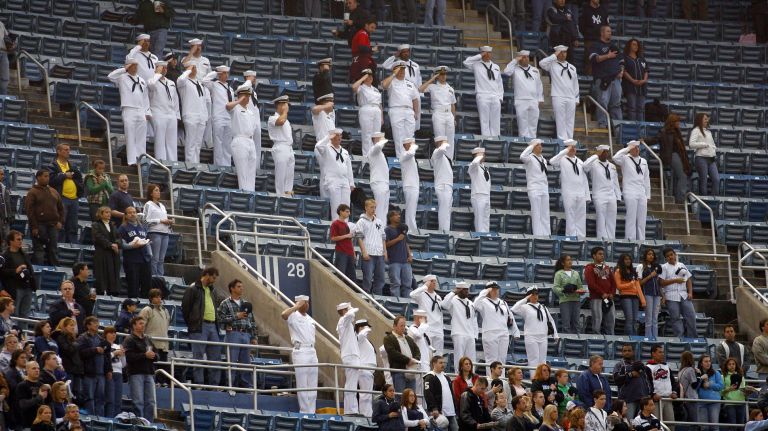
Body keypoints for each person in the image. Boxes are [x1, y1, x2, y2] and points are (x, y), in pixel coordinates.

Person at [182, 267, 223, 385]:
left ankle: (214, 385)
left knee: (215, 358)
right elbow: (185, 308)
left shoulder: (213, 290)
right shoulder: (193, 288)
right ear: (206, 275)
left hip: (213, 326)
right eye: (213, 277)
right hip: (199, 326)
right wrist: (192, 324)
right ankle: (199, 384)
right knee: (198, 357)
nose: (214, 280)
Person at [108, 60, 151, 166]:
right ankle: (132, 161)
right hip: (129, 109)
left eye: (136, 65)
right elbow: (110, 76)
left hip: (141, 110)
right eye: (133, 65)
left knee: (141, 137)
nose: (135, 67)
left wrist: (147, 111)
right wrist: (124, 69)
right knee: (130, 135)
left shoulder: (141, 80)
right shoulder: (122, 77)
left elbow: (145, 97)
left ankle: (141, 160)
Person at [281, 296, 318, 413]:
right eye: (304, 303)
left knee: (313, 384)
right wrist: (296, 306)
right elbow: (283, 315)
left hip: (312, 351)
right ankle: (304, 411)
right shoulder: (293, 316)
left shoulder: (310, 319)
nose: (306, 305)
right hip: (300, 350)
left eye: (307, 302)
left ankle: (311, 411)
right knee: (302, 383)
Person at [643, 114, 691, 204]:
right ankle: (681, 198)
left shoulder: (677, 132)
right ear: (672, 122)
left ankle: (678, 196)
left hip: (678, 155)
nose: (679, 123)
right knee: (683, 176)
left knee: (681, 176)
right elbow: (654, 140)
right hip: (670, 155)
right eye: (677, 121)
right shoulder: (663, 132)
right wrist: (644, 140)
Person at [474, 283, 519, 375]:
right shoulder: (483, 301)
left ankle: (501, 381)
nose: (495, 291)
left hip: (503, 332)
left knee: (502, 359)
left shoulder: (503, 302)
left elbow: (510, 316)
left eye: (497, 289)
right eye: (493, 290)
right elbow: (475, 304)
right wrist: (486, 291)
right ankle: (491, 381)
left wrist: (516, 331)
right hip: (490, 332)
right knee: (491, 359)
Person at [512, 286, 557, 374]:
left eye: (536, 294)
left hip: (543, 336)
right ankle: (534, 380)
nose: (535, 296)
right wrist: (525, 299)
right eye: (532, 295)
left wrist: (555, 334)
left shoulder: (543, 307)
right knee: (533, 360)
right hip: (531, 336)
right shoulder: (525, 307)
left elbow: (550, 320)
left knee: (542, 360)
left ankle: (542, 379)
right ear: (529, 296)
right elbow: (514, 308)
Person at [550, 140, 590, 239]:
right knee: (570, 215)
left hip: (580, 192)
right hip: (569, 192)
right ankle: (571, 236)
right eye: (570, 148)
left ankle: (581, 236)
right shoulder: (562, 159)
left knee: (581, 215)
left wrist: (587, 195)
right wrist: (565, 151)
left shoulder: (580, 161)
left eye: (574, 148)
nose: (573, 149)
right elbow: (552, 161)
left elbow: (584, 179)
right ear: (566, 149)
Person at [538, 46, 579, 140]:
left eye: (565, 52)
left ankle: (570, 141)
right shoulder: (552, 64)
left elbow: (575, 84)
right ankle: (562, 141)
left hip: (571, 97)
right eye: (561, 52)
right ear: (557, 53)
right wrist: (554, 56)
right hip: (558, 96)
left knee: (570, 121)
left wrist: (576, 98)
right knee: (560, 120)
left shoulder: (572, 67)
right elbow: (541, 63)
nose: (563, 54)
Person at [613, 140, 651, 241]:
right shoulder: (625, 159)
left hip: (641, 191)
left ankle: (641, 240)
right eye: (634, 148)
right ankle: (630, 238)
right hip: (629, 191)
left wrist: (648, 195)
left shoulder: (643, 161)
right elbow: (615, 157)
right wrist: (627, 149)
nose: (637, 149)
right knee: (631, 216)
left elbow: (646, 179)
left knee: (642, 218)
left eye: (637, 148)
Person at [25, 170, 64, 265]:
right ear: (38, 177)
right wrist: (34, 226)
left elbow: (61, 208)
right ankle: (39, 272)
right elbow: (29, 211)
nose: (47, 178)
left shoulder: (54, 191)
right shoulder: (32, 192)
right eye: (45, 176)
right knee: (39, 250)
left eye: (48, 176)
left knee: (53, 249)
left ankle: (55, 272)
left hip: (53, 225)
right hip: (39, 225)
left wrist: (60, 222)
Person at [48, 144, 84, 244]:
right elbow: (51, 180)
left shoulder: (72, 165)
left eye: (69, 149)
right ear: (58, 151)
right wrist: (64, 176)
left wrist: (79, 191)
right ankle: (60, 246)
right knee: (61, 225)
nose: (68, 151)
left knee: (73, 226)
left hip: (74, 199)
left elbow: (79, 179)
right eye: (66, 150)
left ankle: (72, 247)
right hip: (61, 199)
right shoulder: (53, 165)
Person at [583, 145, 621, 239]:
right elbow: (584, 166)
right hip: (599, 195)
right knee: (601, 218)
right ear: (599, 152)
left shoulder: (612, 166)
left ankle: (611, 239)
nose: (606, 154)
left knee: (612, 219)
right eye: (603, 152)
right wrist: (595, 155)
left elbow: (615, 182)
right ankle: (602, 239)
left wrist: (618, 196)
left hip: (611, 195)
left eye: (607, 152)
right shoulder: (593, 164)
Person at [464, 46, 504, 137]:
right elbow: (466, 62)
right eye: (486, 53)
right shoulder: (476, 64)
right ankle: (486, 138)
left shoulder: (495, 66)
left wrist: (500, 97)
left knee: (496, 120)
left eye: (489, 53)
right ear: (482, 53)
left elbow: (499, 83)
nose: (488, 55)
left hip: (495, 95)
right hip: (482, 95)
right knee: (484, 120)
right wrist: (479, 55)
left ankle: (495, 138)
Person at [382, 61, 419, 157]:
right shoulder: (391, 81)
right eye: (400, 69)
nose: (402, 71)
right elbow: (384, 85)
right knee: (399, 137)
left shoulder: (410, 84)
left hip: (409, 111)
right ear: (395, 70)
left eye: (403, 69)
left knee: (410, 137)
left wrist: (416, 112)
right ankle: (400, 159)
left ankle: (410, 158)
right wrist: (394, 74)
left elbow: (415, 99)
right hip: (396, 110)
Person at [589, 25, 624, 128]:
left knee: (616, 103)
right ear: (602, 33)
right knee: (602, 103)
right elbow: (593, 59)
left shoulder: (614, 46)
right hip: (602, 78)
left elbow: (621, 60)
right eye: (608, 31)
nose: (610, 33)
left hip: (616, 79)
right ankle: (602, 125)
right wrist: (607, 56)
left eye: (610, 31)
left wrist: (621, 71)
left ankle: (618, 127)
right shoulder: (596, 45)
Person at [503, 50, 544, 138]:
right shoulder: (515, 69)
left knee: (533, 125)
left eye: (527, 57)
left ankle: (533, 143)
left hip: (533, 100)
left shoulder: (534, 70)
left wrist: (540, 99)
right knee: (523, 125)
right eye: (523, 57)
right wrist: (515, 60)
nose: (526, 59)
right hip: (521, 100)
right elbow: (506, 71)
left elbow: (539, 85)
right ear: (520, 58)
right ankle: (524, 143)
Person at [315, 129, 354, 220]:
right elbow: (318, 145)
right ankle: (336, 226)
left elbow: (349, 168)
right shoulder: (326, 148)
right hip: (333, 180)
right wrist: (328, 136)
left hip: (344, 180)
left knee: (346, 206)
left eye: (340, 136)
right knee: (336, 206)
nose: (339, 137)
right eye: (337, 136)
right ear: (332, 137)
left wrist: (351, 182)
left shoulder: (344, 151)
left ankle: (345, 226)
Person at [123, 316, 157, 421]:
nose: (143, 325)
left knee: (151, 401)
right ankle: (140, 423)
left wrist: (154, 356)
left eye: (143, 323)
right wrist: (144, 355)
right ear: (134, 326)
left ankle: (149, 424)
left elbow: (157, 355)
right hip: (135, 373)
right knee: (138, 401)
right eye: (140, 323)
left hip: (149, 372)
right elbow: (128, 357)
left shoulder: (148, 339)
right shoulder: (129, 339)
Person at [659, 248, 698, 338]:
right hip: (671, 296)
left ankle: (692, 338)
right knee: (675, 318)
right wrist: (675, 280)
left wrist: (690, 292)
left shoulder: (682, 264)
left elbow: (688, 279)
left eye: (671, 255)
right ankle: (679, 338)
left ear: (675, 255)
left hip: (684, 294)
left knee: (691, 316)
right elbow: (661, 283)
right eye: (667, 256)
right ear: (665, 258)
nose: (670, 257)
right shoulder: (664, 267)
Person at [383, 44, 423, 130]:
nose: (406, 54)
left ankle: (412, 135)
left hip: (414, 92)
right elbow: (385, 65)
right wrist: (394, 56)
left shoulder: (415, 65)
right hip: (402, 91)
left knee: (415, 117)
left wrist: (420, 94)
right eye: (403, 52)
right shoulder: (396, 64)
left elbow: (419, 79)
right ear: (400, 53)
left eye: (407, 51)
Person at [419, 66, 456, 157]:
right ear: (437, 76)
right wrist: (433, 78)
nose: (443, 76)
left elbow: (453, 105)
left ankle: (449, 161)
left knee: (450, 140)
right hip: (438, 114)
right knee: (440, 139)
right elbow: (420, 89)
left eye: (444, 74)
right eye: (441, 74)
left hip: (449, 114)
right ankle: (441, 160)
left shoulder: (450, 89)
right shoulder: (432, 86)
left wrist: (454, 118)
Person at [176, 63, 209, 164]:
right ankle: (190, 164)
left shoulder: (199, 83)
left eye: (195, 67)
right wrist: (188, 70)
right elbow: (180, 80)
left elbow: (203, 100)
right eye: (192, 67)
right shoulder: (184, 82)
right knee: (190, 142)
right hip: (190, 115)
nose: (194, 69)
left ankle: (196, 163)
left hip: (201, 116)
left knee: (198, 144)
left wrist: (205, 116)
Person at [78, 316, 110, 416]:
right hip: (89, 374)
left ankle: (99, 420)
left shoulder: (101, 339)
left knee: (100, 399)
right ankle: (90, 420)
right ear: (88, 325)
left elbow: (107, 356)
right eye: (94, 322)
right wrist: (95, 350)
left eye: (97, 322)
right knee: (89, 398)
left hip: (101, 374)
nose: (97, 324)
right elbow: (80, 353)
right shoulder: (82, 338)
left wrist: (109, 369)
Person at [147, 61, 179, 162]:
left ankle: (172, 162)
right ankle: (161, 161)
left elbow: (176, 100)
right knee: (160, 139)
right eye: (162, 68)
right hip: (158, 112)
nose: (164, 70)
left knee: (172, 141)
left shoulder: (171, 83)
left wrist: (176, 114)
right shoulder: (152, 80)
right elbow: (151, 84)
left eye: (165, 68)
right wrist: (157, 73)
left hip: (171, 113)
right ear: (156, 68)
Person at [355, 199, 387, 295]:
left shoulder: (379, 221)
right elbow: (359, 238)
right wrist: (364, 252)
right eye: (371, 207)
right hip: (368, 253)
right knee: (368, 278)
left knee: (381, 278)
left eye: (375, 207)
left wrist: (385, 251)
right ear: (366, 208)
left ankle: (378, 298)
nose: (373, 209)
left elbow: (383, 237)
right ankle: (366, 297)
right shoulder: (361, 222)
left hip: (379, 254)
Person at [443, 282, 478, 370]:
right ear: (459, 290)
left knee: (471, 359)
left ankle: (471, 378)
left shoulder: (470, 303)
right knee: (459, 357)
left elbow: (474, 319)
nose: (467, 292)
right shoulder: (453, 300)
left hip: (470, 334)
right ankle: (458, 376)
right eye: (464, 290)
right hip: (458, 332)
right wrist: (453, 292)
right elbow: (444, 304)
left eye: (467, 290)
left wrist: (475, 334)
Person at [519, 139, 551, 236]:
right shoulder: (529, 158)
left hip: (544, 188)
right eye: (538, 145)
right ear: (533, 147)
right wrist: (531, 146)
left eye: (540, 145)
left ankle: (546, 234)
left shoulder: (543, 159)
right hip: (534, 188)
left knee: (545, 213)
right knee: (536, 213)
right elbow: (522, 156)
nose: (540, 147)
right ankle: (538, 235)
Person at [0, 230, 35, 317]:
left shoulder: (24, 254)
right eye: (18, 239)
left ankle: (23, 331)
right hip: (14, 289)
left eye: (21, 239)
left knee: (25, 315)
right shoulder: (4, 256)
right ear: (11, 241)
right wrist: (15, 271)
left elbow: (30, 270)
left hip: (27, 288)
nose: (21, 241)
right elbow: (1, 272)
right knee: (14, 314)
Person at [119, 207, 152, 298]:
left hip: (145, 259)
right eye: (130, 213)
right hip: (132, 260)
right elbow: (122, 245)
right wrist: (133, 246)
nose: (133, 214)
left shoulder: (142, 226)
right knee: (133, 285)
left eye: (134, 212)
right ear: (125, 215)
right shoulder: (123, 227)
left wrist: (149, 250)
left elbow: (148, 239)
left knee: (147, 284)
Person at [614, 344, 653, 419]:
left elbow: (647, 381)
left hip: (642, 400)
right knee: (629, 422)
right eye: (624, 351)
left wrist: (648, 394)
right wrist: (630, 374)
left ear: (633, 352)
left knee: (640, 423)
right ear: (622, 353)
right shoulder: (619, 365)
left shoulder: (641, 365)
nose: (627, 352)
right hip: (627, 400)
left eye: (629, 350)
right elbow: (616, 379)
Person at [383, 315, 420, 393]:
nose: (403, 328)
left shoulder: (408, 338)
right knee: (400, 397)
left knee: (411, 397)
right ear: (394, 326)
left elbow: (417, 351)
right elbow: (392, 353)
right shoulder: (388, 338)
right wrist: (408, 360)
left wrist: (415, 360)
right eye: (401, 326)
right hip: (399, 372)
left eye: (404, 326)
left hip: (411, 371)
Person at [583, 247, 616, 335]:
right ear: (594, 256)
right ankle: (597, 338)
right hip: (596, 298)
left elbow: (613, 282)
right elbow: (591, 284)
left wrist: (612, 293)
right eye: (600, 254)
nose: (602, 256)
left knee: (611, 320)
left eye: (603, 254)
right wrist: (602, 293)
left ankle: (610, 338)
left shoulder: (607, 268)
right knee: (597, 319)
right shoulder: (589, 268)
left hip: (608, 298)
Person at [143, 184, 173, 277]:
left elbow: (164, 220)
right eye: (156, 190)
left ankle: (160, 278)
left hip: (165, 233)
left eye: (159, 190)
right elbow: (145, 221)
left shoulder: (162, 206)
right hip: (154, 233)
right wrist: (160, 220)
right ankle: (154, 279)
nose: (158, 192)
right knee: (155, 258)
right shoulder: (148, 204)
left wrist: (169, 222)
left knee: (161, 259)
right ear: (151, 193)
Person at [336, 302, 360, 415]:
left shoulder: (347, 323)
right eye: (348, 309)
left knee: (352, 384)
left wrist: (349, 309)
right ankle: (350, 410)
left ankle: (351, 409)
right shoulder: (343, 321)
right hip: (350, 356)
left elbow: (350, 315)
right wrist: (351, 309)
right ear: (344, 311)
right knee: (351, 385)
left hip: (352, 356)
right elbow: (350, 315)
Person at [268, 95, 296, 196]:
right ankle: (280, 196)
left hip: (289, 148)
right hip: (280, 147)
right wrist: (284, 112)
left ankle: (288, 195)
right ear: (279, 105)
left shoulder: (286, 119)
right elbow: (280, 122)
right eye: (285, 104)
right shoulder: (272, 118)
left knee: (289, 174)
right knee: (281, 175)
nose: (287, 107)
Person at [91, 206, 121, 296]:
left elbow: (119, 237)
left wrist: (116, 244)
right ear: (101, 214)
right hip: (102, 253)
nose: (109, 214)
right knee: (101, 274)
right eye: (106, 212)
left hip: (113, 254)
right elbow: (98, 237)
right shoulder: (96, 225)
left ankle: (113, 293)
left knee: (113, 274)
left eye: (110, 212)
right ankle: (101, 293)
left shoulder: (113, 225)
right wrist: (110, 245)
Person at [352, 69, 382, 158]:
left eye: (371, 76)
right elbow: (353, 87)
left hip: (376, 110)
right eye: (367, 76)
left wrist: (382, 117)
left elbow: (380, 104)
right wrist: (362, 79)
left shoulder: (375, 90)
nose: (370, 77)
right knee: (367, 134)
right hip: (366, 108)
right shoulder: (360, 87)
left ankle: (375, 156)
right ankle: (366, 156)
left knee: (376, 135)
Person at [52, 317, 83, 401]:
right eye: (71, 325)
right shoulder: (60, 336)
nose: (73, 327)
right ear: (64, 326)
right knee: (68, 393)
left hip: (75, 369)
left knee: (75, 393)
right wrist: (76, 345)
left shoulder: (72, 339)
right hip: (67, 369)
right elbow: (67, 350)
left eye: (74, 325)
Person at [552, 255, 586, 333]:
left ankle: (577, 341)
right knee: (566, 323)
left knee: (576, 323)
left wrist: (581, 291)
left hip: (576, 300)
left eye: (571, 259)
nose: (570, 261)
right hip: (565, 301)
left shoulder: (576, 273)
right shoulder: (559, 274)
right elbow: (555, 288)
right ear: (563, 263)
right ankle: (567, 343)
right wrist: (564, 290)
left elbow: (580, 287)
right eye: (567, 260)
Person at [423, 355, 458, 430]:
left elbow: (451, 394)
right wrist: (433, 408)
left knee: (456, 428)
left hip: (451, 411)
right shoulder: (429, 377)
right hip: (439, 411)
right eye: (440, 363)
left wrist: (455, 407)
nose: (443, 365)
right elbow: (428, 394)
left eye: (444, 363)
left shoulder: (446, 377)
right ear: (434, 364)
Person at [688, 113, 720, 196]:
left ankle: (713, 200)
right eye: (705, 119)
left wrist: (713, 149)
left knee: (716, 179)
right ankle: (704, 201)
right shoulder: (696, 130)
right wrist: (704, 144)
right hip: (701, 158)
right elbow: (691, 144)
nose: (707, 120)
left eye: (707, 119)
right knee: (704, 180)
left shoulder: (708, 132)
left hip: (711, 158)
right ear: (700, 120)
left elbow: (712, 144)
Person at [614, 254, 645, 336]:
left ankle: (634, 338)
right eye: (626, 259)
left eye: (629, 259)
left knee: (635, 319)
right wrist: (630, 284)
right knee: (629, 319)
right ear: (622, 261)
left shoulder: (633, 272)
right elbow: (619, 286)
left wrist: (643, 301)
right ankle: (629, 339)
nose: (628, 261)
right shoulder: (618, 271)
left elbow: (638, 287)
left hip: (635, 297)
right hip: (625, 297)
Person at [385, 210, 414, 298]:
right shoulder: (387, 229)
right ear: (390, 218)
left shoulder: (402, 228)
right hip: (394, 261)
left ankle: (407, 303)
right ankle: (395, 302)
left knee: (408, 284)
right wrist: (398, 239)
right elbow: (385, 244)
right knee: (395, 284)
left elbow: (406, 243)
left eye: (399, 215)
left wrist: (409, 255)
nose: (398, 216)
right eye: (396, 215)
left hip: (405, 261)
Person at [646, 345, 677, 424]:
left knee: (670, 423)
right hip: (655, 401)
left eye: (663, 352)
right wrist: (652, 394)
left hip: (668, 399)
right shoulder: (648, 367)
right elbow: (646, 383)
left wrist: (674, 392)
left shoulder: (666, 366)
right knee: (656, 423)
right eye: (660, 352)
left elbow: (673, 381)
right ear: (653, 353)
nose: (662, 354)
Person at [16, 361, 51, 429]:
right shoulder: (22, 386)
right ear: (27, 370)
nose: (37, 370)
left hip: (43, 425)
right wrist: (39, 397)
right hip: (28, 424)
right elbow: (22, 404)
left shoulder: (42, 385)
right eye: (34, 368)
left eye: (38, 368)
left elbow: (49, 404)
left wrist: (50, 391)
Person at [579, 0, 611, 76]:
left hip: (601, 41)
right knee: (589, 61)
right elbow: (581, 26)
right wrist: (588, 35)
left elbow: (607, 25)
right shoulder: (586, 10)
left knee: (603, 60)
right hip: (590, 40)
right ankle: (589, 80)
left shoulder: (603, 10)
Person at [638, 249, 663, 339]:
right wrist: (650, 276)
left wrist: (662, 296)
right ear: (645, 255)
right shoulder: (641, 266)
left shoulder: (656, 267)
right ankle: (648, 337)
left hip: (656, 294)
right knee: (649, 317)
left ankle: (655, 337)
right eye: (649, 254)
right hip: (647, 293)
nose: (651, 256)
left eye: (652, 254)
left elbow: (658, 283)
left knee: (655, 317)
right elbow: (640, 283)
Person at [622, 39, 649, 122]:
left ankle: (640, 129)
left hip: (642, 87)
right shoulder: (625, 58)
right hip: (630, 87)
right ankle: (632, 128)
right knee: (632, 108)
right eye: (634, 44)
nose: (636, 46)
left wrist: (644, 80)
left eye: (637, 45)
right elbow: (624, 71)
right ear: (629, 46)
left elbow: (646, 70)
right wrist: (633, 80)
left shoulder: (641, 59)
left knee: (641, 109)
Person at [355, 319, 377, 417]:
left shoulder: (365, 340)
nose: (368, 329)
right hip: (364, 368)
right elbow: (360, 335)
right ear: (360, 328)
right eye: (365, 327)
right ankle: (366, 414)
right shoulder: (359, 338)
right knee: (365, 394)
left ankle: (367, 413)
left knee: (367, 394)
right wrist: (364, 329)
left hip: (368, 370)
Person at [330, 204, 357, 282]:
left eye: (349, 212)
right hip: (341, 252)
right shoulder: (335, 223)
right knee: (341, 274)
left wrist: (353, 253)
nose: (349, 213)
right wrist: (346, 236)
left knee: (352, 276)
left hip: (349, 252)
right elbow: (333, 238)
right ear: (341, 212)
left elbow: (349, 240)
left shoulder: (345, 224)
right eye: (347, 211)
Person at [432, 137, 453, 232]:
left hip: (447, 185)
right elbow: (441, 149)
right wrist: (443, 144)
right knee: (444, 210)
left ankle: (446, 231)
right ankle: (443, 231)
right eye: (444, 142)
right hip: (443, 185)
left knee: (447, 210)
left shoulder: (444, 156)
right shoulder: (436, 153)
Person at [103, 326, 126, 417]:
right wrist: (114, 353)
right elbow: (104, 359)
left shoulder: (118, 346)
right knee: (110, 399)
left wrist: (123, 355)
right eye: (110, 333)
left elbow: (123, 364)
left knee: (118, 400)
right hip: (109, 372)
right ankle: (109, 418)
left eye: (114, 333)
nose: (113, 335)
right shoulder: (104, 345)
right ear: (105, 335)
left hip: (119, 373)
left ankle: (117, 419)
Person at [242, 71, 263, 172]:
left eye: (254, 77)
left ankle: (256, 168)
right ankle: (248, 169)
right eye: (252, 77)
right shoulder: (244, 89)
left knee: (257, 147)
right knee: (249, 147)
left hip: (256, 122)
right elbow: (244, 87)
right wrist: (249, 80)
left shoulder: (253, 92)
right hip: (248, 122)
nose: (254, 79)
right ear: (247, 78)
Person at [696, 354, 723, 431]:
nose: (708, 363)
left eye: (709, 361)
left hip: (714, 402)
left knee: (714, 427)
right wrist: (700, 379)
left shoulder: (716, 373)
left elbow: (720, 386)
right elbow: (694, 388)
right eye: (706, 361)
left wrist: (710, 384)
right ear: (701, 363)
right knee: (704, 428)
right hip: (701, 403)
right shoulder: (697, 373)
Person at [366, 133, 389, 221]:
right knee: (379, 210)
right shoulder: (373, 150)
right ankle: (378, 230)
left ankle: (382, 230)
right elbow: (378, 146)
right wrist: (381, 140)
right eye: (380, 138)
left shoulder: (379, 152)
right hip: (378, 182)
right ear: (375, 139)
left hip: (384, 182)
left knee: (384, 211)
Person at [721, 357, 750, 427]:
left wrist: (747, 391)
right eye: (729, 364)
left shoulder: (741, 376)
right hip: (729, 403)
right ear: (726, 366)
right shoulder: (723, 377)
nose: (732, 366)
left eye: (733, 364)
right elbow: (720, 392)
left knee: (741, 425)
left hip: (741, 402)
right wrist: (729, 389)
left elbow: (743, 388)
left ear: (736, 365)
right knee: (733, 425)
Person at [468, 148, 492, 232]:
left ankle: (485, 239)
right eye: (482, 154)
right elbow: (474, 163)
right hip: (478, 196)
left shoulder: (484, 168)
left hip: (486, 196)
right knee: (479, 220)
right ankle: (480, 238)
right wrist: (478, 156)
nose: (484, 156)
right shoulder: (473, 167)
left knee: (485, 220)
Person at [400, 138, 420, 232]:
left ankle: (411, 230)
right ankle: (411, 230)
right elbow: (411, 152)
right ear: (406, 145)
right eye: (411, 144)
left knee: (412, 210)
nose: (413, 145)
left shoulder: (410, 155)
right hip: (410, 185)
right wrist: (414, 146)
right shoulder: (404, 154)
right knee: (410, 211)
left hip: (413, 185)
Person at [678, 351, 700, 429]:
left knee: (688, 422)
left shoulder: (680, 371)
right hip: (691, 398)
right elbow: (695, 385)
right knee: (694, 422)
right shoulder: (690, 370)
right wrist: (699, 375)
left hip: (685, 399)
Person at [0, 168, 14, 247]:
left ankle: (4, 259)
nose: (3, 176)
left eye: (3, 174)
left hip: (5, 219)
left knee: (6, 243)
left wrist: (10, 215)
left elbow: (7, 203)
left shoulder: (4, 188)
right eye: (1, 174)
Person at [754, 319, 768, 384]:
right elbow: (761, 356)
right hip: (764, 373)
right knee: (765, 393)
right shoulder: (758, 340)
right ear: (762, 327)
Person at [0, 18, 11, 95]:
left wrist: (11, 44)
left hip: (3, 53)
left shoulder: (1, 24)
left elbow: (6, 37)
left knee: (5, 78)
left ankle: (3, 100)